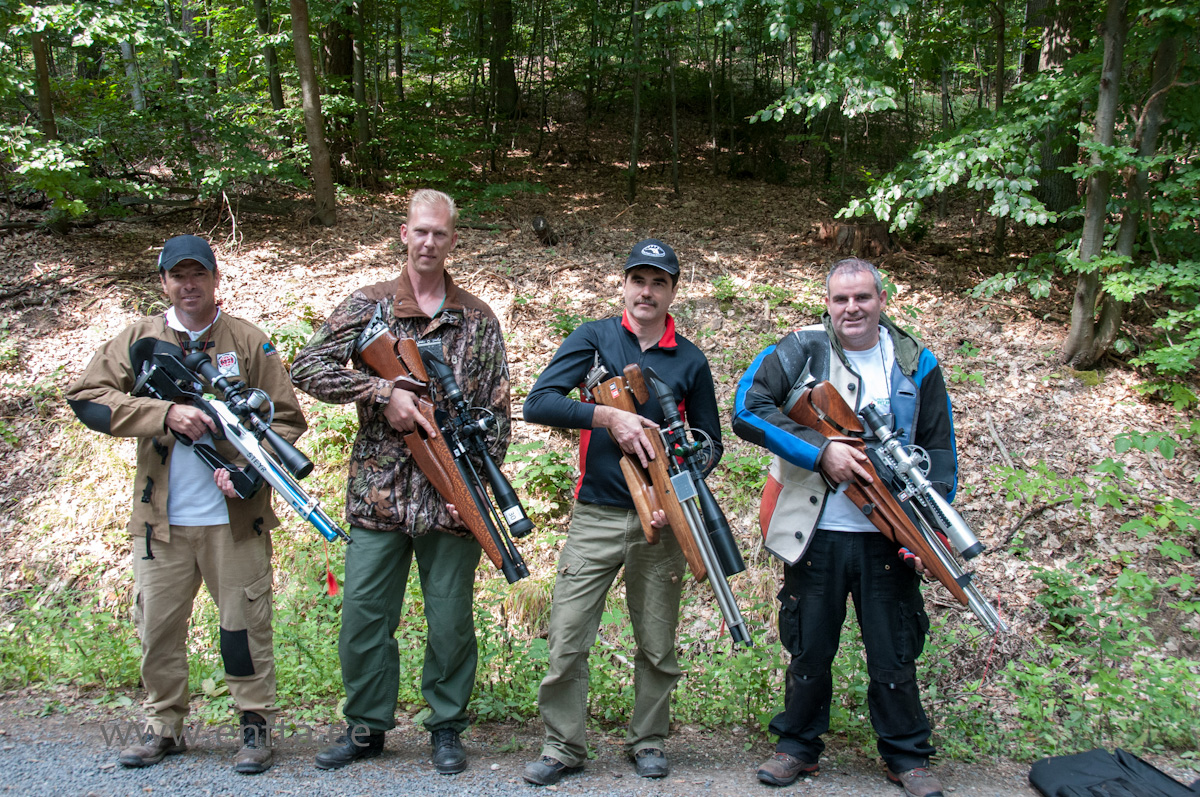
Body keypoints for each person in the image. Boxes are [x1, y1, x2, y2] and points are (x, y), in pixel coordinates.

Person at [290, 189, 511, 776]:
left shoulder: (477, 318)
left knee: (450, 622)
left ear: (453, 240)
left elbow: (496, 411)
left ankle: (445, 727)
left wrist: (477, 497)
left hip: (450, 498)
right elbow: (306, 367)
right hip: (378, 495)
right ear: (404, 235)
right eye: (420, 231)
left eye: (440, 233)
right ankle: (365, 727)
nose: (429, 242)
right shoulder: (368, 305)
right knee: (363, 616)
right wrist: (380, 391)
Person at [66, 235, 305, 774]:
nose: (189, 284)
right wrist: (163, 415)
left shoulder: (248, 341)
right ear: (164, 282)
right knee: (158, 631)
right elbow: (88, 399)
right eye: (178, 276)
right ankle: (162, 728)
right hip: (161, 523)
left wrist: (248, 471)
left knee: (243, 629)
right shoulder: (139, 339)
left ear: (216, 278)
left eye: (198, 274)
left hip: (235, 523)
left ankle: (254, 729)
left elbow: (287, 421)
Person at [731, 257, 957, 797]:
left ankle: (906, 756)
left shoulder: (914, 361)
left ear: (882, 300)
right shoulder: (800, 348)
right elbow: (747, 407)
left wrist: (933, 531)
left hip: (888, 532)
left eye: (862, 298)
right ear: (827, 302)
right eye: (840, 299)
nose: (851, 308)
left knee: (894, 649)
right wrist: (820, 451)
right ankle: (796, 748)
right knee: (809, 648)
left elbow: (940, 451)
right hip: (814, 529)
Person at [520, 239, 723, 786]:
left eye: (659, 282)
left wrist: (670, 499)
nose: (647, 291)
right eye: (639, 279)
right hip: (595, 514)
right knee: (566, 637)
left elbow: (711, 446)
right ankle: (563, 746)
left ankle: (649, 740)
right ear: (625, 284)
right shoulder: (594, 337)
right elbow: (537, 402)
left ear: (673, 291)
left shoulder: (690, 359)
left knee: (657, 643)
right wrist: (608, 417)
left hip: (661, 522)